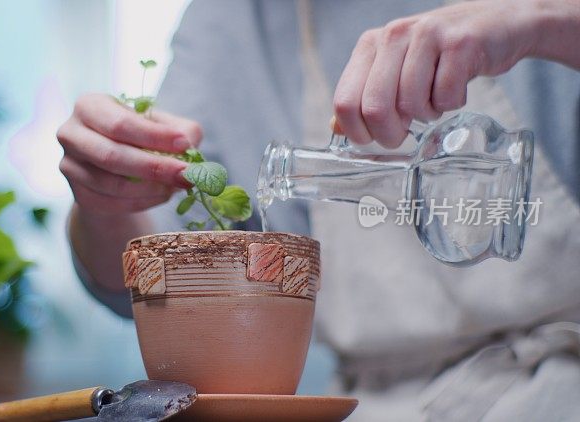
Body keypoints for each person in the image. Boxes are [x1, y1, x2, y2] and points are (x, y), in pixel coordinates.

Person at [57, 1, 580, 420]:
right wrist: (104, 198)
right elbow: (139, 281)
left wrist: (546, 20)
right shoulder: (231, 17)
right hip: (384, 407)